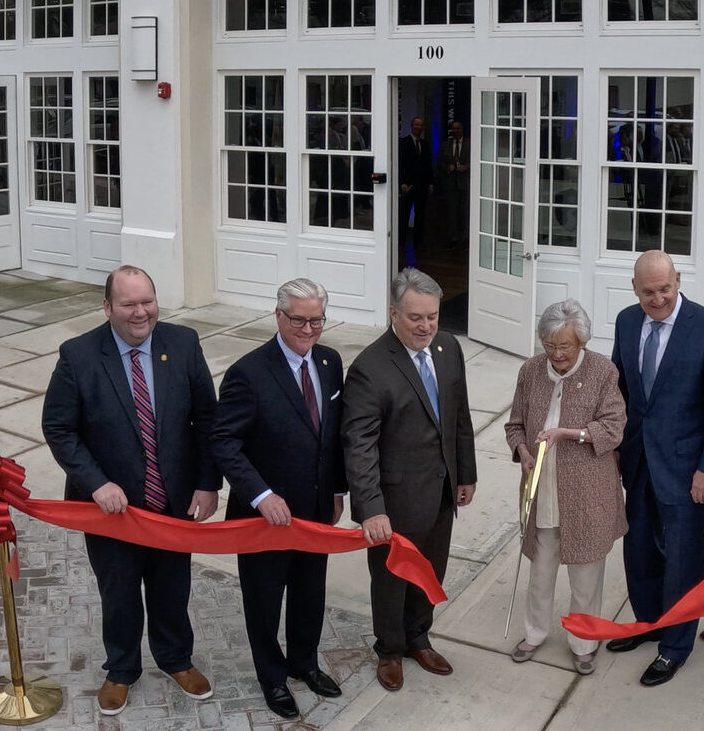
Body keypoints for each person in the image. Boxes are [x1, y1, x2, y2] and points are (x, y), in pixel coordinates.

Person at [41, 265, 220, 716]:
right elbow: (60, 429)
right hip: (110, 511)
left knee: (172, 588)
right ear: (107, 307)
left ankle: (176, 659)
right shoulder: (78, 355)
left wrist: (206, 483)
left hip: (172, 503)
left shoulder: (183, 343)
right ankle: (121, 669)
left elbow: (208, 421)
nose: (141, 312)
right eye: (128, 304)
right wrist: (96, 482)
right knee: (118, 592)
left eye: (147, 301)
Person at [208, 278, 347, 718]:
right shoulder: (247, 373)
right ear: (279, 316)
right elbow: (223, 442)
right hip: (264, 518)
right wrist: (261, 494)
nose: (308, 329)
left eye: (316, 320)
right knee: (265, 601)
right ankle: (272, 677)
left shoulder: (329, 362)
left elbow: (333, 436)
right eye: (299, 320)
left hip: (317, 509)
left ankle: (303, 663)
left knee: (311, 593)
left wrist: (338, 489)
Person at [607, 250, 704, 687]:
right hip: (638, 460)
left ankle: (676, 646)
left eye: (665, 288)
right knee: (639, 548)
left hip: (687, 470)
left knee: (682, 559)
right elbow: (620, 390)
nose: (658, 298)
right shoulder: (627, 321)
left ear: (678, 280)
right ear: (634, 289)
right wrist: (615, 447)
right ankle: (649, 624)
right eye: (648, 292)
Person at [342, 268, 476, 692]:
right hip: (395, 501)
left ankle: (419, 638)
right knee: (391, 578)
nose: (426, 326)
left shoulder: (449, 347)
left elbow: (459, 416)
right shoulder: (370, 368)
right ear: (393, 313)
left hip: (440, 491)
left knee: (430, 570)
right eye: (416, 317)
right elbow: (359, 446)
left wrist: (466, 474)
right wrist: (371, 508)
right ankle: (389, 649)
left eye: (433, 316)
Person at [503, 299, 626, 675]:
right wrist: (522, 450)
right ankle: (535, 633)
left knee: (585, 578)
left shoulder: (603, 371)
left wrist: (569, 433)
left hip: (588, 495)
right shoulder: (530, 370)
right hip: (542, 492)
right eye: (550, 345)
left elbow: (614, 428)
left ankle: (583, 642)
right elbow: (515, 424)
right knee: (540, 573)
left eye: (565, 346)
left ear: (582, 343)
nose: (556, 354)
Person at [397, 117, 433, 267]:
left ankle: (419, 242)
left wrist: (431, 183)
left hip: (422, 185)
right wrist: (402, 183)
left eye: (421, 125)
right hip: (407, 185)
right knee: (404, 214)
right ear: (411, 126)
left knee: (421, 215)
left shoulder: (425, 144)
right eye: (416, 125)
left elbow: (429, 164)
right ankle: (401, 242)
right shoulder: (403, 142)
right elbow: (400, 163)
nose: (419, 127)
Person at [440, 120, 469, 248]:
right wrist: (448, 167)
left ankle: (465, 238)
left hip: (465, 184)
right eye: (453, 129)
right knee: (451, 213)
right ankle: (453, 238)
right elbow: (439, 163)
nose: (456, 131)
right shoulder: (445, 145)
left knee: (464, 212)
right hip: (450, 184)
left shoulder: (470, 144)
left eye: (458, 128)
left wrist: (467, 167)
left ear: (462, 130)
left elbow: (478, 159)